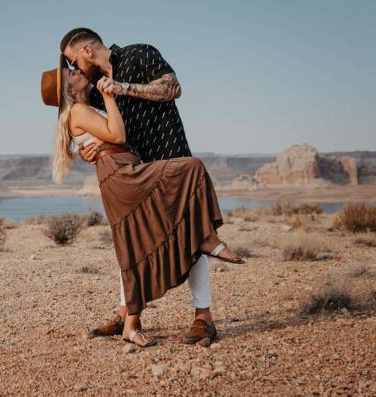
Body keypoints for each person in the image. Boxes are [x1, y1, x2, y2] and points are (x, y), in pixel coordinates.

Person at [40, 30, 243, 347]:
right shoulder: (94, 93)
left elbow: (172, 88)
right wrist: (88, 151)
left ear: (87, 50)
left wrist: (122, 88)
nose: (73, 67)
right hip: (136, 167)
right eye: (70, 67)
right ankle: (127, 315)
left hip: (169, 152)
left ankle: (203, 317)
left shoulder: (138, 54)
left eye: (72, 61)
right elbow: (100, 130)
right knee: (135, 239)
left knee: (189, 227)